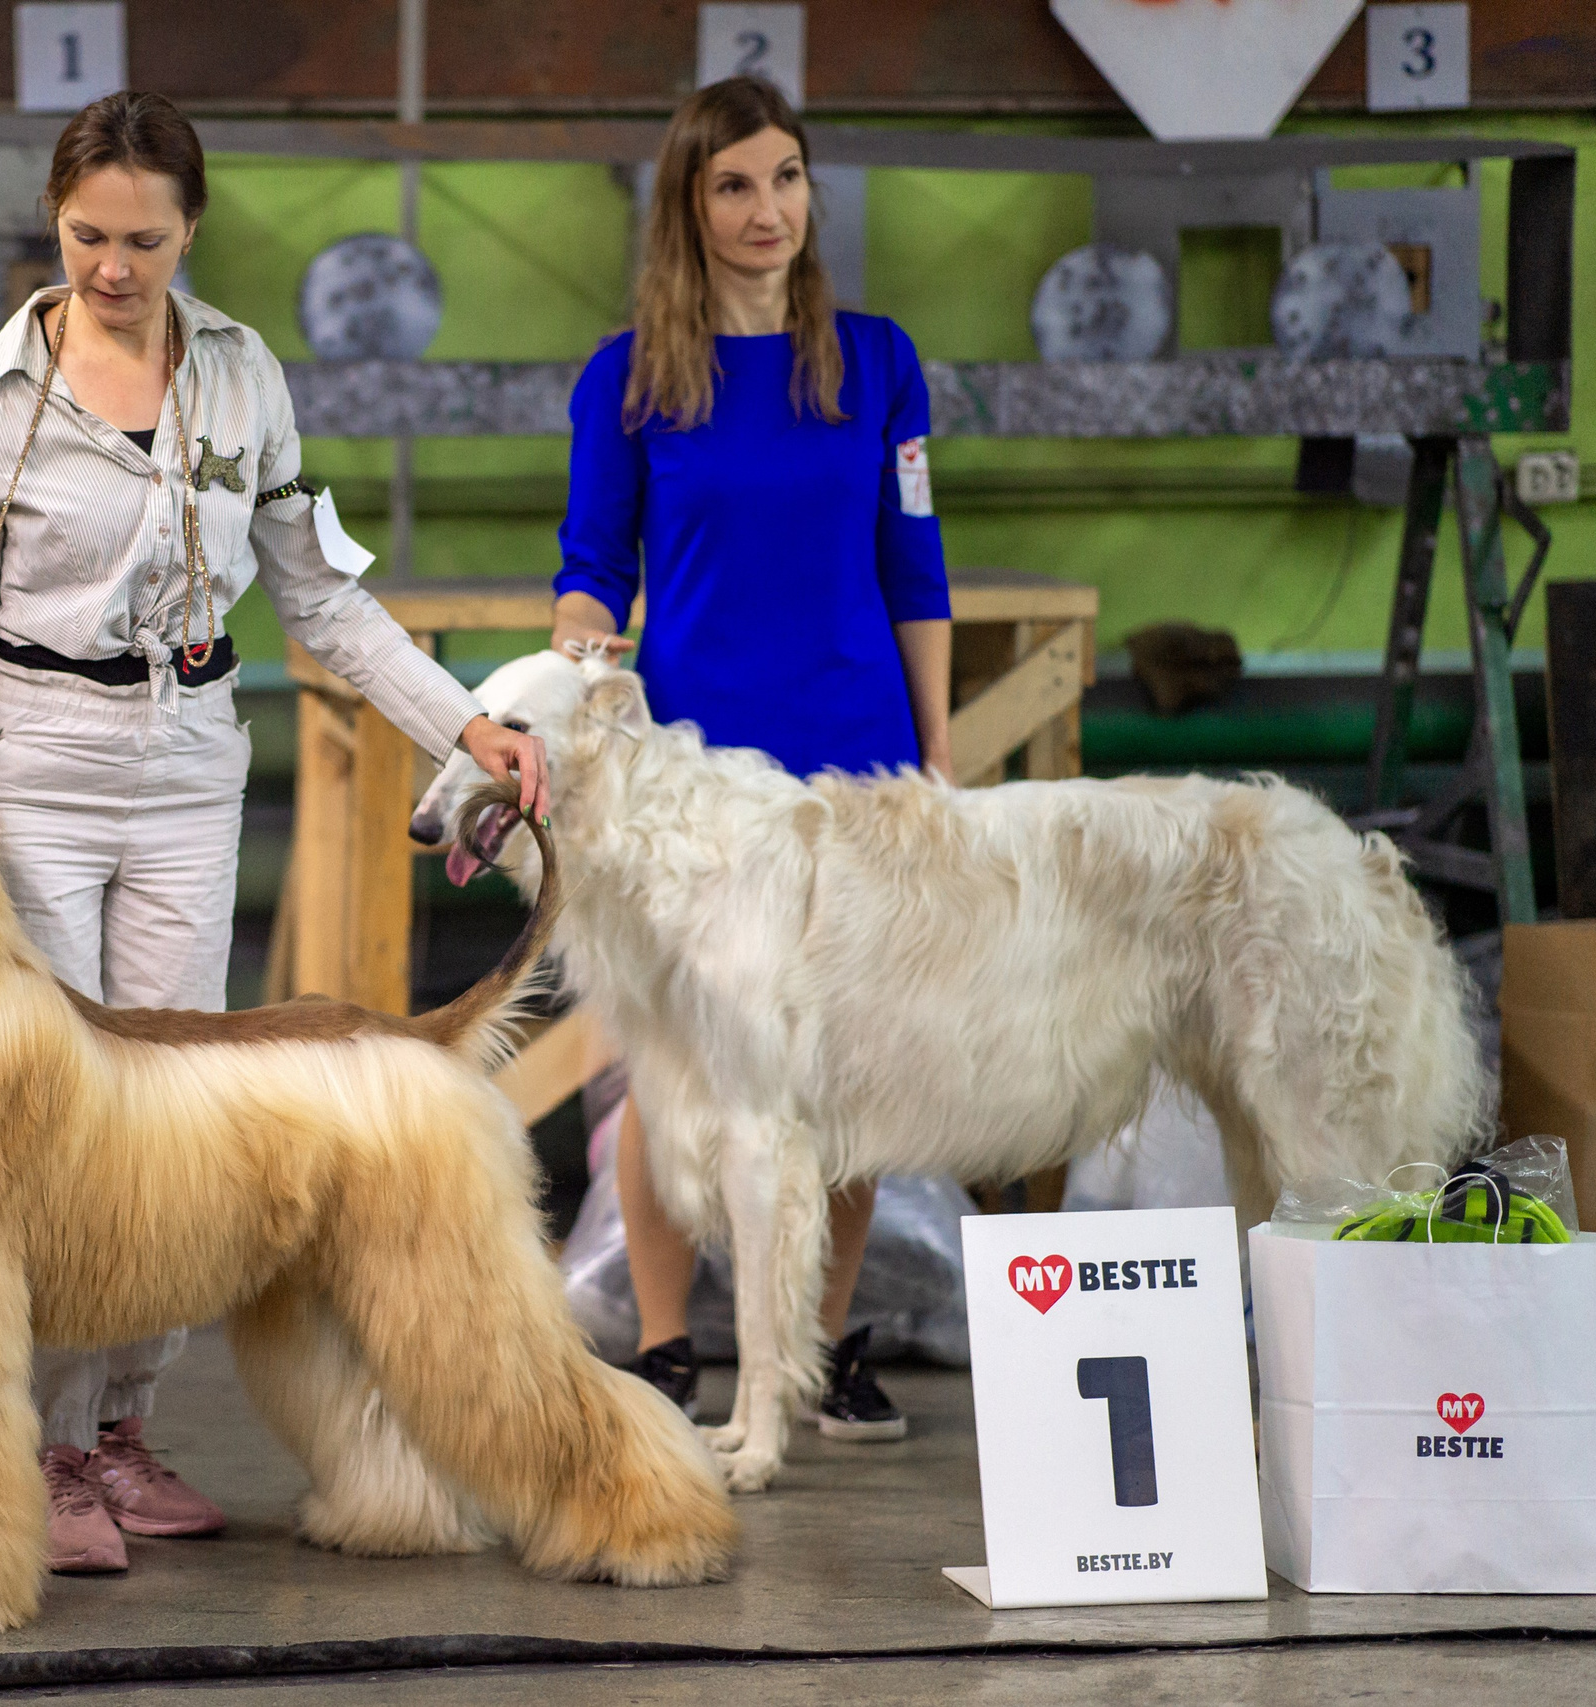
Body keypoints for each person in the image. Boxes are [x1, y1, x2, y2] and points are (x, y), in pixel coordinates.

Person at [0, 91, 550, 1575]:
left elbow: (322, 603)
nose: (113, 268)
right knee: (51, 1133)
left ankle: (120, 1432)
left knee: (178, 1136)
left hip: (187, 767)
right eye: (87, 238)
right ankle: (43, 1455)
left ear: (192, 231)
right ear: (56, 224)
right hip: (29, 767)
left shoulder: (243, 375)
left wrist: (470, 726)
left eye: (145, 241)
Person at [550, 75, 951, 1443]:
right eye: (733, 185)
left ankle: (816, 1352)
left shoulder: (878, 363)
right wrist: (579, 658)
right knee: (672, 1074)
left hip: (855, 768)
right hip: (695, 778)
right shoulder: (629, 379)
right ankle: (667, 1348)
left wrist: (935, 752)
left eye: (785, 178)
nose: (765, 208)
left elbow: (915, 569)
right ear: (690, 204)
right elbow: (594, 568)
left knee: (844, 1077)